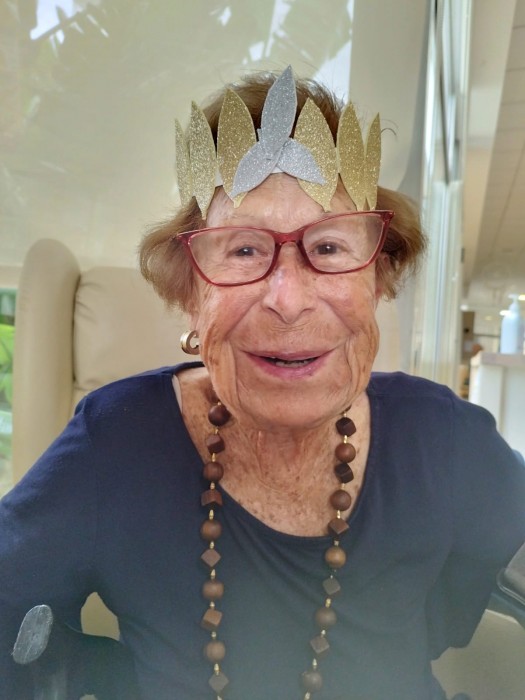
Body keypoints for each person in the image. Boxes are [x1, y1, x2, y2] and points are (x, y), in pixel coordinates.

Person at [1, 66, 524, 700]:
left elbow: (460, 612)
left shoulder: (446, 439)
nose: (288, 299)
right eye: (243, 250)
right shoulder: (116, 440)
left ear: (380, 278)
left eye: (328, 248)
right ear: (190, 294)